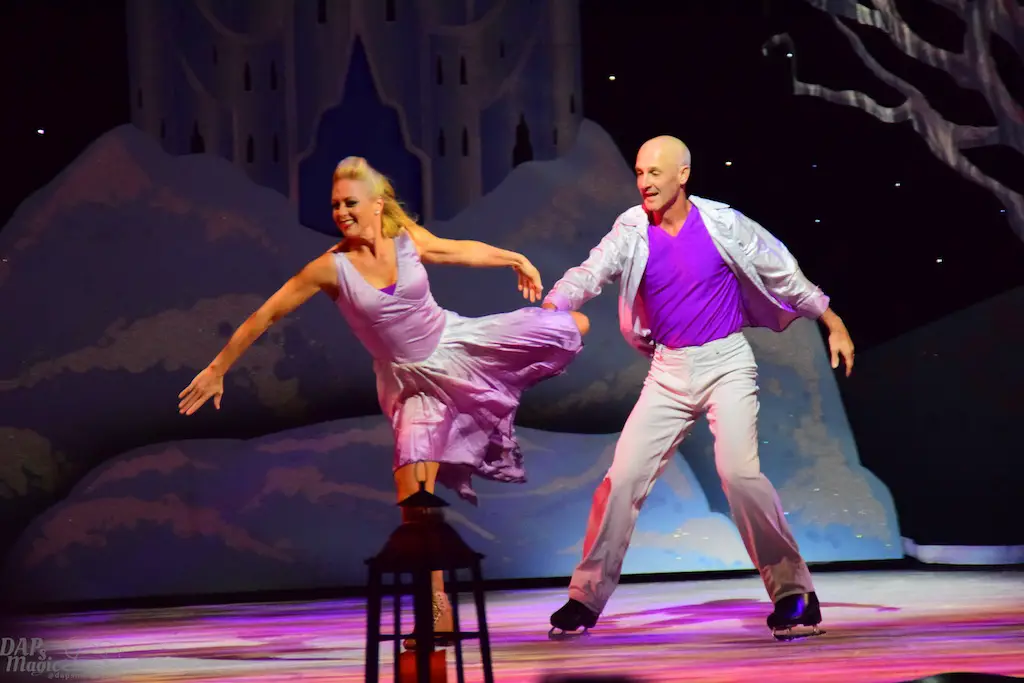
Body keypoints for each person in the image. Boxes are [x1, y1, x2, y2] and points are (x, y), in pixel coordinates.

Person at [178, 156, 590, 647]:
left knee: (569, 327)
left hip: (455, 344)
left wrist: (513, 258)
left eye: (350, 203)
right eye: (335, 205)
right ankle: (436, 613)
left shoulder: (405, 238)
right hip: (410, 387)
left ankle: (537, 352)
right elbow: (265, 315)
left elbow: (455, 250)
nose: (341, 212)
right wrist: (218, 368)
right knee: (416, 505)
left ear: (377, 205)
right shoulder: (329, 269)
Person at [542, 135, 854, 641]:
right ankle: (585, 597)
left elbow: (780, 268)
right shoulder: (632, 228)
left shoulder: (721, 222)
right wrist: (554, 306)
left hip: (726, 363)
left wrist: (831, 319)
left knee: (739, 475)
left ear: (682, 175)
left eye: (654, 173)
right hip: (668, 371)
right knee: (622, 479)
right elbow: (590, 272)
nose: (644, 182)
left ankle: (794, 594)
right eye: (639, 173)